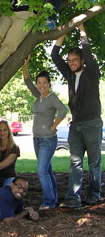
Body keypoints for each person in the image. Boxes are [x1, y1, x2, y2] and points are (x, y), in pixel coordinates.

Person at [51, 22, 102, 208]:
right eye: (69, 60)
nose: (71, 63)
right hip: (76, 125)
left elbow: (87, 52)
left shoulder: (91, 73)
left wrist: (81, 30)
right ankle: (73, 196)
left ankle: (94, 193)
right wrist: (63, 32)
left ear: (82, 61)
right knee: (75, 162)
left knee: (94, 162)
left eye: (75, 60)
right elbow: (54, 56)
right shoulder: (70, 75)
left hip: (92, 124)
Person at [22, 56, 67, 210]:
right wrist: (24, 66)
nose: (41, 85)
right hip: (37, 139)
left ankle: (48, 201)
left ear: (49, 84)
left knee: (41, 170)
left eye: (44, 83)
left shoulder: (51, 97)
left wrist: (54, 126)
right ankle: (53, 199)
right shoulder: (39, 96)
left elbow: (63, 110)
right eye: (39, 83)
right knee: (47, 170)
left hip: (48, 139)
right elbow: (28, 82)